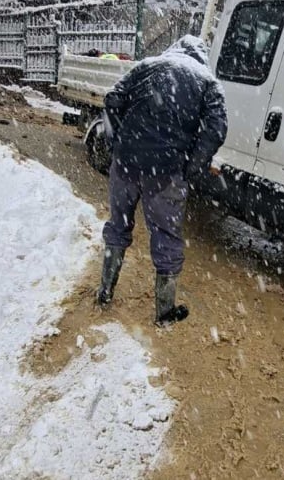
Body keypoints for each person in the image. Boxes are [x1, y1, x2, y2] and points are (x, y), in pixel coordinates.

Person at [97, 35, 228, 326]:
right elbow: (216, 130)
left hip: (125, 165)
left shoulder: (145, 66)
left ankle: (105, 291)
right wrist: (192, 167)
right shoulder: (207, 83)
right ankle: (164, 313)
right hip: (166, 173)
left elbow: (112, 99)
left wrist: (117, 143)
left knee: (118, 225)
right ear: (201, 57)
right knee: (166, 237)